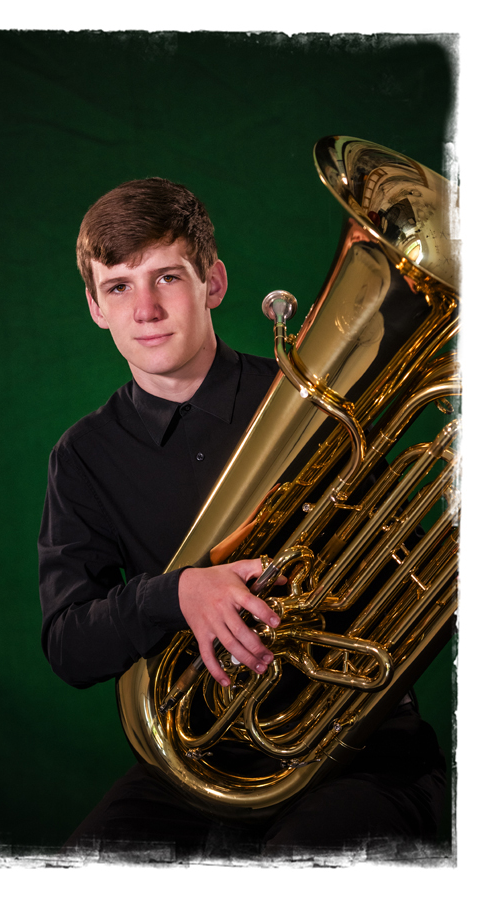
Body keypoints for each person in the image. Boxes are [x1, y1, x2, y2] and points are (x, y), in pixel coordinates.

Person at [38, 177, 447, 862]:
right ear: (94, 307)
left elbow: (411, 571)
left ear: (214, 282)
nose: (145, 308)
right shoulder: (83, 457)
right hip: (200, 761)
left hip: (363, 750)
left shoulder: (324, 406)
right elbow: (68, 644)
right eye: (118, 287)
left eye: (167, 276)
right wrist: (177, 594)